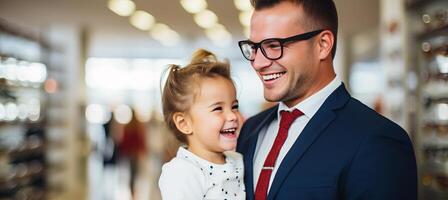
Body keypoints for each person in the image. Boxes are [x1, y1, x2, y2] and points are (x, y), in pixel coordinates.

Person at [236, 0, 417, 200]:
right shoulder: (250, 130)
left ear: (323, 45)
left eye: (273, 45)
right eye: (253, 47)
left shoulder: (377, 140)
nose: (258, 63)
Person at [158, 49, 246, 200]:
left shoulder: (238, 160)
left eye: (234, 106)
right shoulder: (181, 172)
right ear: (184, 123)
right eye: (218, 108)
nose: (232, 115)